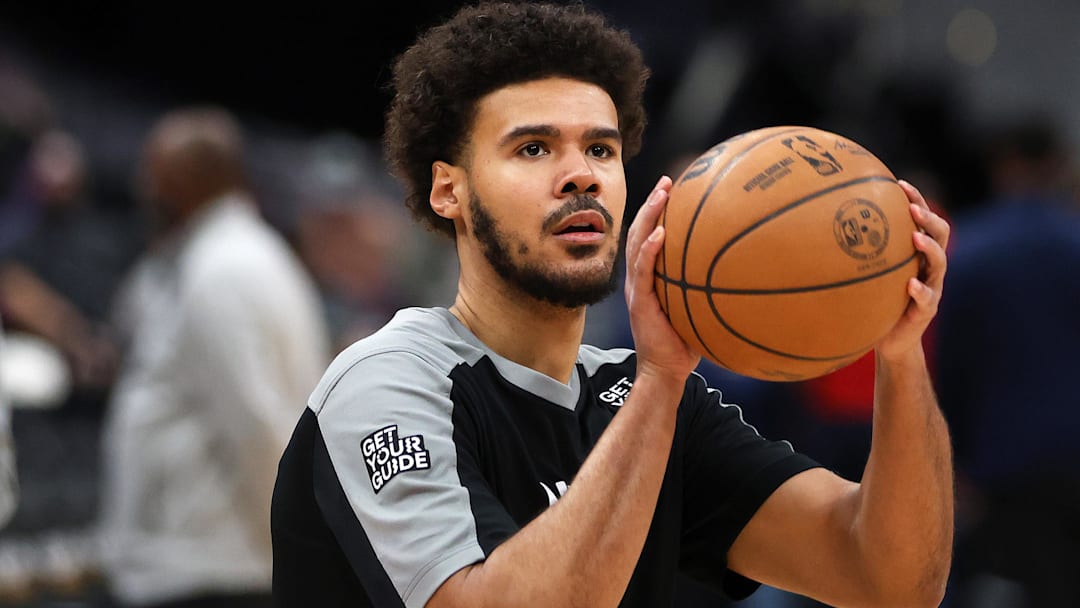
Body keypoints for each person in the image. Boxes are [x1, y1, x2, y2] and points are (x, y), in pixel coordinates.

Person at [271, 4, 953, 607]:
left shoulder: (640, 398)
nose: (582, 173)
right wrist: (659, 383)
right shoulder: (389, 383)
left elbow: (889, 581)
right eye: (533, 147)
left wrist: (898, 354)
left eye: (601, 148)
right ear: (449, 191)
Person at [101, 107, 329, 608]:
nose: (144, 186)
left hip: (214, 573)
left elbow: (258, 426)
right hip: (205, 565)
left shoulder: (224, 270)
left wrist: (298, 555)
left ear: (193, 177)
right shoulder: (218, 256)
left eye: (155, 171)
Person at [936, 115, 1080, 607]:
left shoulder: (970, 251)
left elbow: (949, 366)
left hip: (1008, 461)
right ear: (1055, 163)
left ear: (1005, 165)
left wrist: (951, 459)